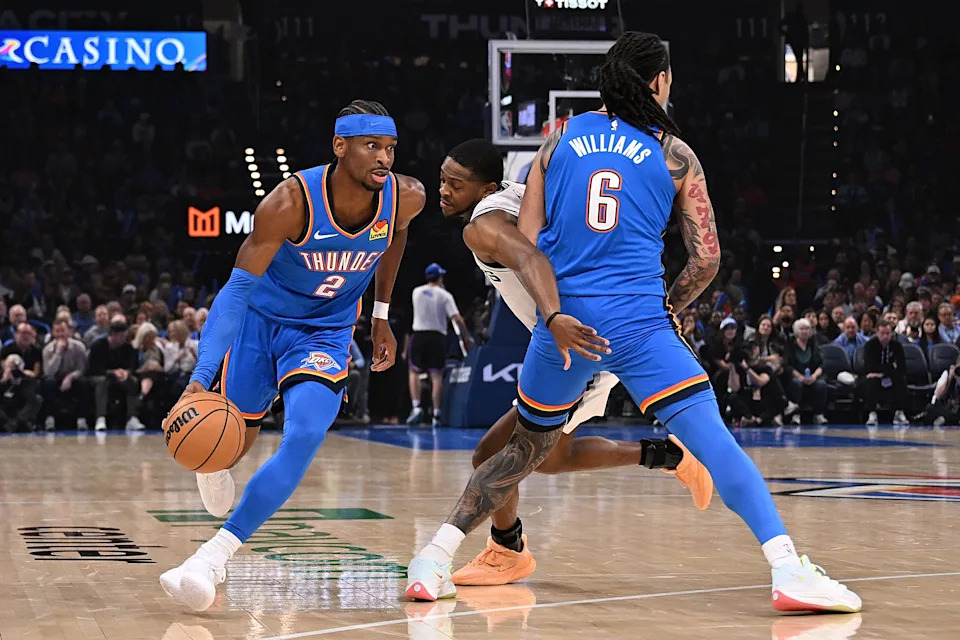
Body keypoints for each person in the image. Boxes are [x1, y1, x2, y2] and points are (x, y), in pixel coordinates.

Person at [406, 32, 859, 612]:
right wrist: (673, 300)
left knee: (522, 449)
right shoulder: (676, 155)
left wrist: (559, 306)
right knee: (718, 446)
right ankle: (788, 570)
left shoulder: (559, 137)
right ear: (658, 82)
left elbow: (533, 239)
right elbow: (707, 258)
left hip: (566, 326)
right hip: (641, 323)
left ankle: (433, 558)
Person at [160, 100, 426, 612]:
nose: (384, 159)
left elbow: (397, 239)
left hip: (324, 333)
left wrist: (381, 314)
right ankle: (216, 459)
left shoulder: (405, 197)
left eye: (391, 148)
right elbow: (235, 293)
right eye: (372, 146)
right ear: (339, 146)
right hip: (262, 326)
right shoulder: (289, 202)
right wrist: (201, 377)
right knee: (232, 440)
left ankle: (210, 558)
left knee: (305, 431)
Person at [432, 137, 712, 586]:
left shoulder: (482, 226)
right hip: (586, 339)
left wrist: (554, 316)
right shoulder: (519, 194)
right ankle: (664, 454)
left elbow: (530, 257)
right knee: (548, 457)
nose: (444, 190)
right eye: (442, 180)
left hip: (576, 349)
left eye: (455, 184)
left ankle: (506, 550)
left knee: (499, 455)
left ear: (485, 189)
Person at [405, 263, 473, 426]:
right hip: (437, 337)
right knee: (436, 376)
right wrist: (466, 337)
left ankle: (416, 407)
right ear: (440, 277)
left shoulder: (416, 292)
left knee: (414, 372)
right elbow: (457, 318)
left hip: (419, 335)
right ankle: (436, 414)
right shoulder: (445, 295)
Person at [87, 317, 143, 432]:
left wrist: (126, 372)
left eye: (124, 335)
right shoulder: (98, 346)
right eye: (121, 336)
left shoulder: (128, 347)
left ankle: (132, 418)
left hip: (121, 377)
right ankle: (101, 418)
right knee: (102, 382)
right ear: (112, 335)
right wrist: (112, 372)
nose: (123, 338)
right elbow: (94, 368)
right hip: (99, 376)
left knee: (133, 381)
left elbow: (133, 366)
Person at [40, 318, 88, 431]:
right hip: (55, 379)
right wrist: (58, 353)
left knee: (83, 383)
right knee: (48, 382)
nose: (60, 334)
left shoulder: (79, 347)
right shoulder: (47, 350)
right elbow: (48, 372)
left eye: (63, 330)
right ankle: (49, 419)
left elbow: (81, 369)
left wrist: (70, 377)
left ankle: (81, 419)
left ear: (69, 332)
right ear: (52, 332)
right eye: (57, 331)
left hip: (73, 378)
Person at [782, 318, 829, 425]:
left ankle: (819, 414)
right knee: (796, 384)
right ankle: (796, 415)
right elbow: (787, 365)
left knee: (821, 385)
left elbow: (822, 364)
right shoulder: (790, 345)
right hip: (796, 377)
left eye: (807, 329)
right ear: (796, 331)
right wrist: (799, 376)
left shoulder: (813, 345)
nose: (804, 331)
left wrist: (814, 376)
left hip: (811, 377)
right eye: (802, 329)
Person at [863, 319, 909, 426]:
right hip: (875, 378)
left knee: (901, 379)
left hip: (890, 377)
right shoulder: (870, 346)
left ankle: (899, 413)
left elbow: (902, 368)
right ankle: (872, 413)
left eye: (888, 333)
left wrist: (882, 373)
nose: (885, 336)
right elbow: (870, 367)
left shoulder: (897, 346)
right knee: (871, 381)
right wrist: (890, 367)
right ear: (877, 333)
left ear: (892, 333)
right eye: (882, 333)